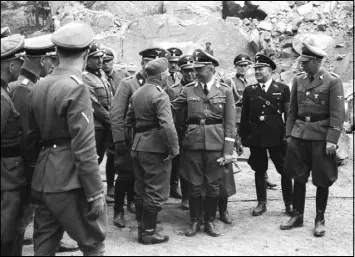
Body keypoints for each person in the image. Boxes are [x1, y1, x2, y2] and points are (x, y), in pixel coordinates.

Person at [26, 21, 107, 256]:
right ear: (87, 53)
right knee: (93, 243)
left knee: (44, 243)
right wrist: (94, 192)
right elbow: (84, 147)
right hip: (70, 180)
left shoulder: (39, 86)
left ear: (57, 53)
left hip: (43, 177)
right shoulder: (77, 88)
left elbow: (31, 138)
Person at [9, 33, 78, 254]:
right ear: (42, 61)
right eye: (52, 60)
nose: (54, 64)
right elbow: (26, 135)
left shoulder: (32, 85)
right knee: (20, 216)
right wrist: (31, 166)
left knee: (41, 210)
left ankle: (51, 242)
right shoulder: (23, 88)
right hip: (27, 163)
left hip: (37, 160)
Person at [280, 42, 345, 237]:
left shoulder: (332, 81)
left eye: (305, 62)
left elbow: (337, 114)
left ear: (317, 61)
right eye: (301, 62)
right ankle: (297, 215)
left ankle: (319, 218)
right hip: (299, 135)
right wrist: (289, 134)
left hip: (321, 136)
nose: (301, 66)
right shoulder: (299, 80)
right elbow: (292, 111)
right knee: (298, 176)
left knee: (322, 178)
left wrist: (332, 140)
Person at [172, 49, 236, 237]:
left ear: (211, 68)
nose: (196, 72)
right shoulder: (189, 89)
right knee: (194, 184)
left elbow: (230, 123)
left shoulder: (225, 90)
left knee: (213, 185)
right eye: (195, 68)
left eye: (200, 69)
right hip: (192, 143)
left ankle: (209, 221)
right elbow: (171, 108)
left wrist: (228, 151)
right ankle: (194, 221)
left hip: (216, 144)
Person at [110, 47, 170, 228]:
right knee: (125, 176)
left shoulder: (160, 83)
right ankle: (118, 210)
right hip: (130, 139)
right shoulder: (128, 83)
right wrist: (119, 139)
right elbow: (117, 114)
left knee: (143, 179)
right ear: (142, 63)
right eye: (146, 62)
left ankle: (138, 208)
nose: (148, 65)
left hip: (151, 141)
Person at [125, 57, 179, 244]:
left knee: (141, 189)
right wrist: (174, 148)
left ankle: (142, 228)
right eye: (166, 73)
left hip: (138, 146)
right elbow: (167, 125)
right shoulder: (160, 95)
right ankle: (149, 233)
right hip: (156, 149)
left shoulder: (137, 93)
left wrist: (135, 142)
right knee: (156, 190)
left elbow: (128, 121)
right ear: (163, 75)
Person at [239, 54, 293, 217]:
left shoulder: (282, 89)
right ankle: (261, 203)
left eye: (260, 69)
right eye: (255, 69)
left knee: (284, 170)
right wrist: (244, 136)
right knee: (259, 170)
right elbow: (244, 116)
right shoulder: (249, 90)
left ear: (269, 70)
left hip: (277, 136)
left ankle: (289, 204)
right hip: (256, 137)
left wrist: (289, 135)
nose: (257, 72)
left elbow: (288, 114)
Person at [225, 53, 277, 189]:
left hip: (252, 119)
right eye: (240, 66)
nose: (243, 68)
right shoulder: (230, 82)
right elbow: (228, 103)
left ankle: (264, 177)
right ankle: (229, 180)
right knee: (233, 148)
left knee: (260, 147)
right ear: (235, 67)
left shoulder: (253, 82)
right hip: (236, 119)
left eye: (245, 66)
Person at [1, 33, 27, 256]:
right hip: (6, 175)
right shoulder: (0, 96)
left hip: (9, 172)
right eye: (20, 62)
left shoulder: (5, 91)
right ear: (11, 65)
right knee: (5, 230)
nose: (22, 66)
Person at [165, 54, 196, 210]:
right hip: (179, 132)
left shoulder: (200, 89)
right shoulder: (173, 90)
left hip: (196, 132)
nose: (189, 74)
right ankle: (185, 197)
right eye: (186, 71)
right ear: (180, 72)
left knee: (195, 165)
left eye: (192, 70)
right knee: (181, 166)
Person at [101, 47, 130, 202]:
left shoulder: (122, 75)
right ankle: (110, 185)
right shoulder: (97, 76)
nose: (105, 64)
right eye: (103, 61)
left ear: (113, 61)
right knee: (105, 155)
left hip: (119, 120)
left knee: (117, 153)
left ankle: (117, 186)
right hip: (102, 122)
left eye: (108, 61)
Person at [83, 41, 112, 164]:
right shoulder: (85, 77)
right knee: (92, 160)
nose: (100, 61)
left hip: (105, 124)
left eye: (101, 57)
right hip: (96, 126)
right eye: (96, 58)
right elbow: (95, 105)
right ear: (87, 59)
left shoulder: (101, 75)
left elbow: (110, 97)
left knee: (100, 157)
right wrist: (112, 120)